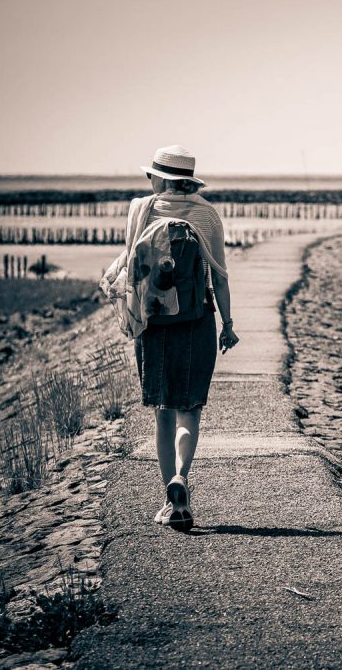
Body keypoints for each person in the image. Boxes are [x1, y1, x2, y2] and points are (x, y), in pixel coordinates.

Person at [133, 145, 239, 531]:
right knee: (189, 408)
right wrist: (228, 324)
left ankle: (170, 499)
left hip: (154, 322)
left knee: (162, 411)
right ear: (189, 180)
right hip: (196, 321)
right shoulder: (207, 214)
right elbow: (220, 277)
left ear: (160, 179)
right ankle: (182, 475)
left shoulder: (142, 211)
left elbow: (133, 269)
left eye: (151, 176)